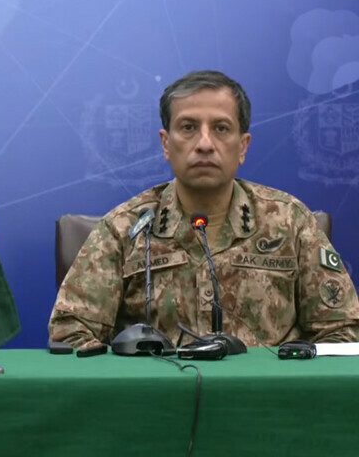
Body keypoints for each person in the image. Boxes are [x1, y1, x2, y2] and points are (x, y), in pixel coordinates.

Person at [49, 70, 359, 350]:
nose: (205, 144)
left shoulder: (290, 222)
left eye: (221, 128)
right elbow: (70, 334)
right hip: (158, 392)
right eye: (188, 127)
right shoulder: (124, 228)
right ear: (166, 144)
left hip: (266, 393)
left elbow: (343, 332)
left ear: (243, 146)